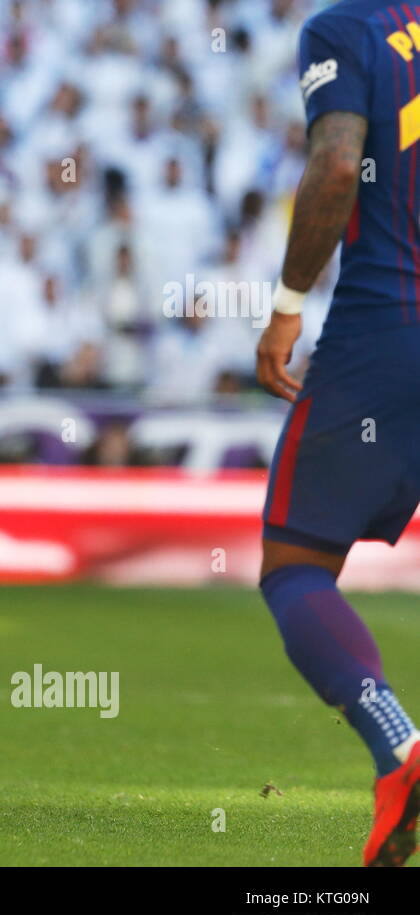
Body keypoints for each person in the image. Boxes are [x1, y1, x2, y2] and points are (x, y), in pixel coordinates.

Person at [256, 0, 420, 867]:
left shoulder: (347, 27)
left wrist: (285, 307)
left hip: (389, 326)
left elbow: (334, 168)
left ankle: (401, 745)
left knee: (295, 566)